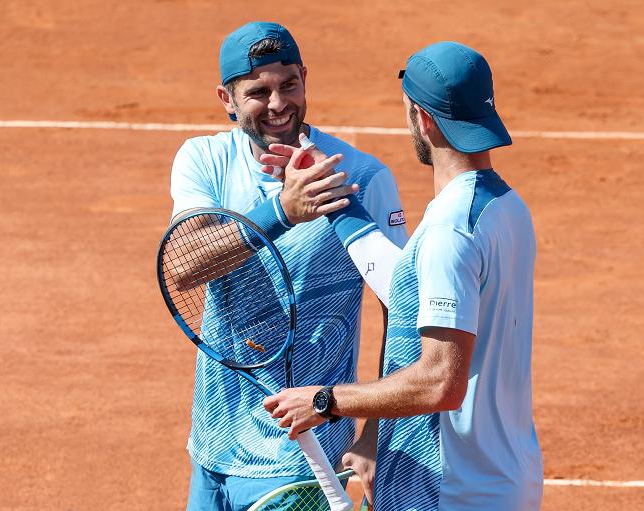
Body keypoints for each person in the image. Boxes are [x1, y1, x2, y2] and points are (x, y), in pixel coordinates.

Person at [264, 42, 544, 510]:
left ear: (423, 118)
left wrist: (324, 401)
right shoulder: (504, 208)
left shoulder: (449, 232)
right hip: (505, 477)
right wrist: (341, 203)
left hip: (452, 490)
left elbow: (440, 382)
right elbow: (412, 288)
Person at [168, 21, 408, 511]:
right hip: (212, 447)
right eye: (259, 92)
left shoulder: (362, 177)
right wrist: (281, 213)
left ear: (305, 78)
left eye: (289, 85)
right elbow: (183, 266)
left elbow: (400, 310)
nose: (279, 104)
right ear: (227, 99)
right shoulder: (205, 159)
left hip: (300, 460)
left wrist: (374, 431)